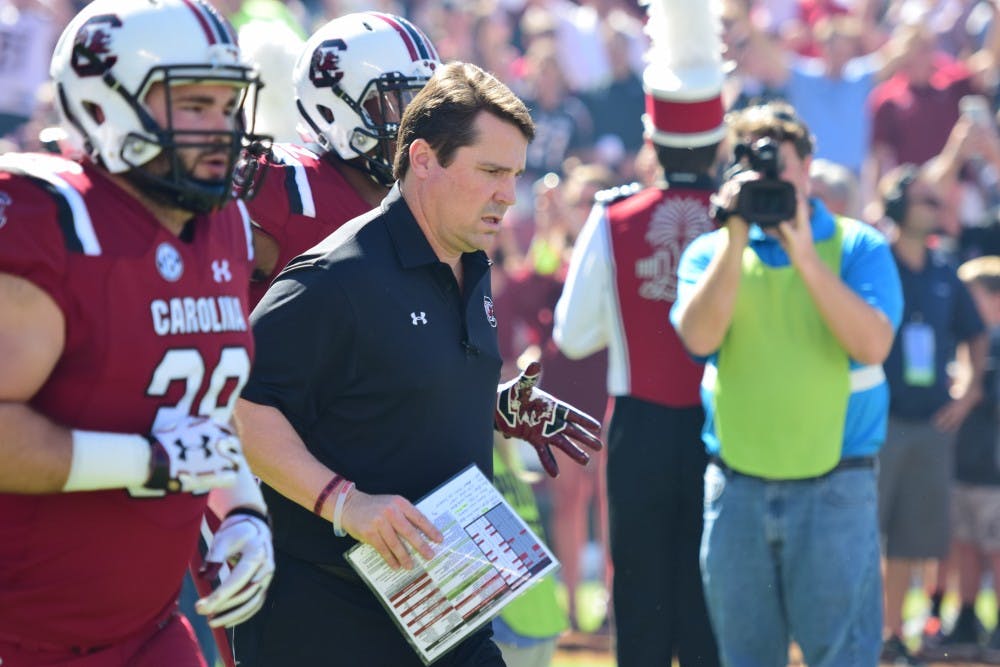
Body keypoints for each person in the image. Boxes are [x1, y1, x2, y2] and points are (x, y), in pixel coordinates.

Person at [231, 61, 603, 667]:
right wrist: (347, 504)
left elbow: (397, 376)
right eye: (489, 171)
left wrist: (496, 401)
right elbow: (241, 408)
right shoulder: (334, 277)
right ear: (424, 160)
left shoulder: (471, 263)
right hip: (327, 623)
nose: (508, 194)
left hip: (445, 603)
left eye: (514, 174)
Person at [0, 0, 275, 664]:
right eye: (195, 104)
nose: (222, 128)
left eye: (228, 105)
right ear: (103, 104)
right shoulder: (54, 221)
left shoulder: (227, 224)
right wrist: (145, 462)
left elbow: (198, 402)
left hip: (150, 629)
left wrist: (243, 505)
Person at [671, 100, 903, 667]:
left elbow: (872, 344)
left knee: (839, 658)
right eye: (754, 166)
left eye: (782, 164)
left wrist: (802, 250)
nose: (770, 178)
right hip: (738, 487)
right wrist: (736, 237)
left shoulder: (857, 247)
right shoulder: (710, 250)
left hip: (837, 487)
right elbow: (699, 338)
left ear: (808, 169)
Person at [555, 0, 725, 663]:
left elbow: (572, 336)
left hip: (639, 429)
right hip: (722, 428)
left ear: (652, 140)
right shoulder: (742, 222)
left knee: (643, 606)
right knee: (709, 600)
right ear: (719, 139)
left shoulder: (614, 217)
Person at [239, 11, 442, 308]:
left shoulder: (422, 205)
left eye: (425, 102)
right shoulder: (286, 188)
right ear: (332, 109)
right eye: (402, 100)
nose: (420, 121)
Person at [876, 164, 988, 664]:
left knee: (910, 539)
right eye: (923, 199)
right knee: (867, 536)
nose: (933, 208)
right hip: (879, 423)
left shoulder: (946, 270)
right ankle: (868, 631)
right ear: (898, 206)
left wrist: (968, 390)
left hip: (930, 426)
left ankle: (896, 635)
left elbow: (976, 334)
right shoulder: (874, 264)